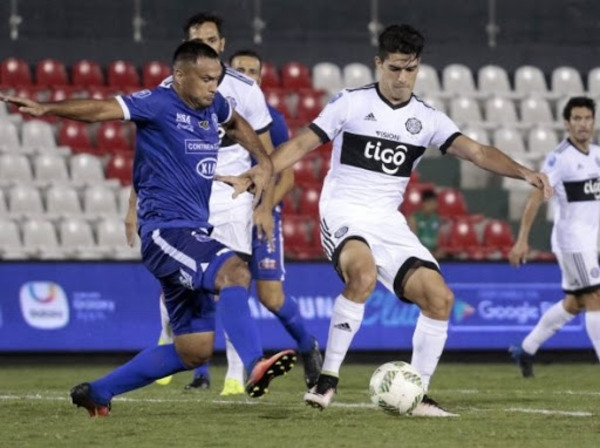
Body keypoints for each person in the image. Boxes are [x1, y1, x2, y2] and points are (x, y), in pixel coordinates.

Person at [221, 24, 552, 417]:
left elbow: (478, 152)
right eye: (394, 68)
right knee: (361, 275)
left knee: (440, 298)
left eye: (409, 70)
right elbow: (300, 144)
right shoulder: (351, 103)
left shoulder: (427, 119)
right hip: (343, 210)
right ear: (379, 64)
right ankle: (327, 380)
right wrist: (260, 171)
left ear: (418, 68)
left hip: (388, 221)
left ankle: (418, 393)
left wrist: (524, 172)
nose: (401, 78)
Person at [2, 41, 296, 417]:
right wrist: (48, 108)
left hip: (194, 233)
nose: (213, 87)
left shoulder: (213, 106)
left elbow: (238, 123)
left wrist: (263, 162)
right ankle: (256, 364)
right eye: (206, 79)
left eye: (217, 80)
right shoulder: (157, 103)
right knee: (235, 271)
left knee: (194, 349)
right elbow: (100, 110)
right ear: (179, 75)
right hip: (165, 232)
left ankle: (98, 392)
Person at [139, 13, 322, 395]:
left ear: (220, 45)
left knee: (249, 288)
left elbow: (275, 166)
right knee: (193, 284)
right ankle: (193, 361)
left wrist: (263, 207)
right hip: (187, 199)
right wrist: (133, 204)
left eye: (253, 69)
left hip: (242, 202)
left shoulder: (262, 110)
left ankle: (270, 361)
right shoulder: (168, 95)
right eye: (197, 39)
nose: (247, 74)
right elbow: (149, 156)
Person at [508, 96, 600, 377]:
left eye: (587, 118)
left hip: (588, 241)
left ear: (593, 122)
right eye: (577, 119)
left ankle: (526, 348)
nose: (583, 124)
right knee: (596, 296)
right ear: (566, 123)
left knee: (575, 304)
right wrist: (522, 239)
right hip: (572, 240)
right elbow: (537, 197)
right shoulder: (559, 158)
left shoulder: (596, 154)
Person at [407, 189, 445, 259]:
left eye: (435, 204)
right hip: (419, 255)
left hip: (433, 255)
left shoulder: (437, 219)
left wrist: (437, 251)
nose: (434, 206)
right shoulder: (414, 219)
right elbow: (413, 242)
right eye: (432, 204)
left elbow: (437, 242)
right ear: (425, 203)